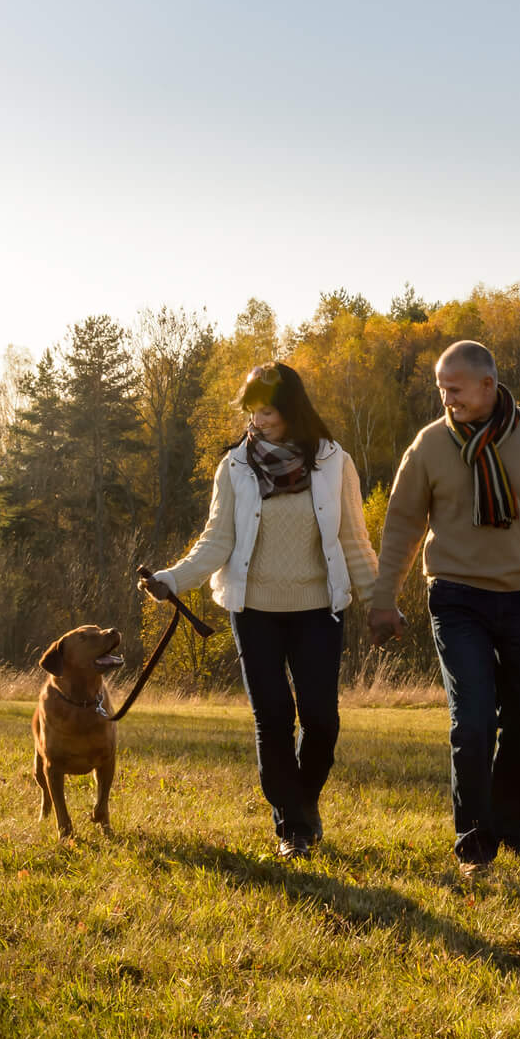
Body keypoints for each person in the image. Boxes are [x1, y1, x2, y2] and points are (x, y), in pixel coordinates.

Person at [140, 362, 377, 858]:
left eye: (267, 411)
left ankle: (303, 806)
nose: (258, 420)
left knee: (322, 720)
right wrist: (171, 580)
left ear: (291, 410)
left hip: (319, 610)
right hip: (255, 611)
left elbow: (355, 541)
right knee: (272, 717)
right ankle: (293, 828)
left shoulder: (335, 463)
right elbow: (216, 541)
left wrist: (380, 602)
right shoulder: (235, 467)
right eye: (252, 411)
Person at [369, 340, 520, 875]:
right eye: (441, 389)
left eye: (456, 389)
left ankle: (513, 831)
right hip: (457, 597)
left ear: (489, 385)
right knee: (471, 723)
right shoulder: (428, 446)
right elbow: (401, 527)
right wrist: (383, 598)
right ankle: (473, 841)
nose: (447, 399)